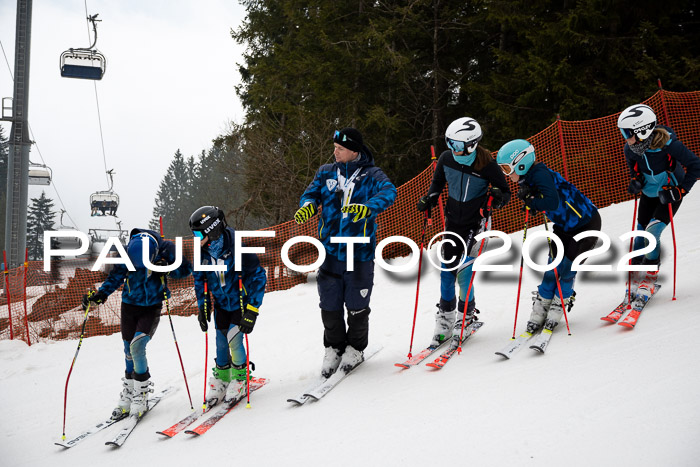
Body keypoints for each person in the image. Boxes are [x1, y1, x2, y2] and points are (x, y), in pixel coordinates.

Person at [294, 127, 397, 378]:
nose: (335, 152)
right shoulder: (326, 171)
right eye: (334, 147)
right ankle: (333, 348)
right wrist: (308, 206)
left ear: (354, 150)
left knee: (357, 305)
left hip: (359, 252)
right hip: (329, 251)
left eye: (340, 148)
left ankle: (355, 348)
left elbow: (389, 192)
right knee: (329, 304)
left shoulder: (372, 174)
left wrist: (369, 207)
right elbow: (310, 194)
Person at [416, 117, 511, 347]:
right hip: (453, 222)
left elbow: (505, 192)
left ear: (472, 144)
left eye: (457, 145)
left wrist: (497, 198)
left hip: (476, 223)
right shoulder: (447, 158)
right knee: (446, 272)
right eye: (449, 143)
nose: (452, 149)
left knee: (464, 272)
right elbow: (437, 182)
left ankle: (466, 317)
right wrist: (431, 197)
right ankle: (446, 318)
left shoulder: (487, 164)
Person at [82, 228, 192, 419]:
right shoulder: (126, 251)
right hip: (129, 305)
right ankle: (129, 393)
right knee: (128, 350)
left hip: (151, 306)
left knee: (137, 346)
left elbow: (186, 270)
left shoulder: (167, 248)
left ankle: (141, 395)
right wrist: (100, 295)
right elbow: (116, 277)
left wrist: (166, 265)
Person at [496, 139, 601, 333]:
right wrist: (531, 200)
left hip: (585, 225)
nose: (505, 174)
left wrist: (533, 202)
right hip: (564, 226)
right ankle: (540, 308)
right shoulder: (529, 177)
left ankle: (559, 305)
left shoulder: (540, 174)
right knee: (552, 268)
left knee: (568, 269)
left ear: (521, 162)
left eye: (506, 168)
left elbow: (551, 202)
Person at [616, 104, 700, 300]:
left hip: (669, 192)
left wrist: (681, 190)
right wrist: (635, 180)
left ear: (642, 131)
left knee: (652, 232)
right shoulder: (630, 149)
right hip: (649, 193)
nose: (625, 138)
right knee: (640, 233)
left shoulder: (670, 146)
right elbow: (634, 168)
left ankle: (650, 275)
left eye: (627, 133)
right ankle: (636, 272)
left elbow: (696, 166)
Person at [189, 206, 267, 406]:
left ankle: (240, 378)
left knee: (234, 339)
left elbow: (259, 276)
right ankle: (222, 379)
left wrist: (252, 309)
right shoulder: (202, 254)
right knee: (221, 342)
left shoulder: (237, 247)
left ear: (213, 229)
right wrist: (202, 305)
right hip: (221, 304)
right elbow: (200, 280)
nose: (197, 238)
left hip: (240, 302)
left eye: (199, 233)